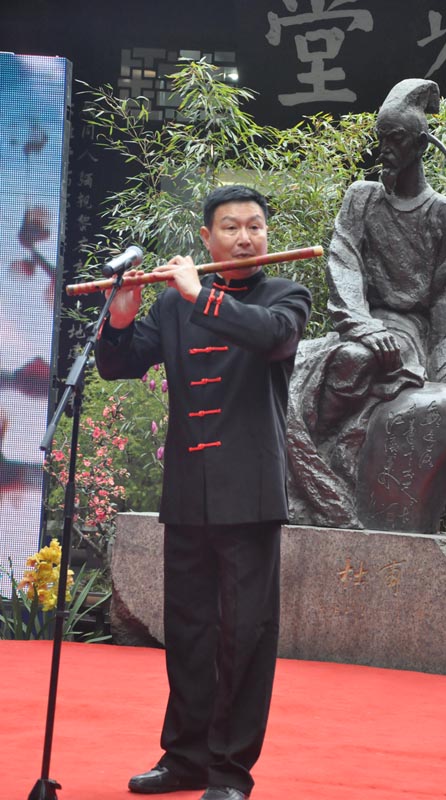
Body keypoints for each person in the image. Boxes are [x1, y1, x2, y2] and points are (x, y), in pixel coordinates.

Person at [95, 184, 312, 800]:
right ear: (206, 238)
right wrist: (122, 317)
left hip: (250, 493)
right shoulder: (171, 307)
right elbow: (120, 364)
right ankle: (184, 759)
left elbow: (271, 337)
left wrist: (201, 294)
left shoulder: (286, 294)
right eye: (232, 228)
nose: (246, 238)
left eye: (255, 227)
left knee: (245, 633)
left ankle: (229, 771)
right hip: (188, 490)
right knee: (188, 629)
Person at [287, 78, 446, 528]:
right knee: (340, 358)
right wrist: (359, 322)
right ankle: (309, 449)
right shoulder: (363, 197)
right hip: (361, 322)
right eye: (382, 139)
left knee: (356, 362)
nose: (385, 149)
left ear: (421, 145)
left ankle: (332, 454)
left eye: (396, 139)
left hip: (408, 332)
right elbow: (343, 260)